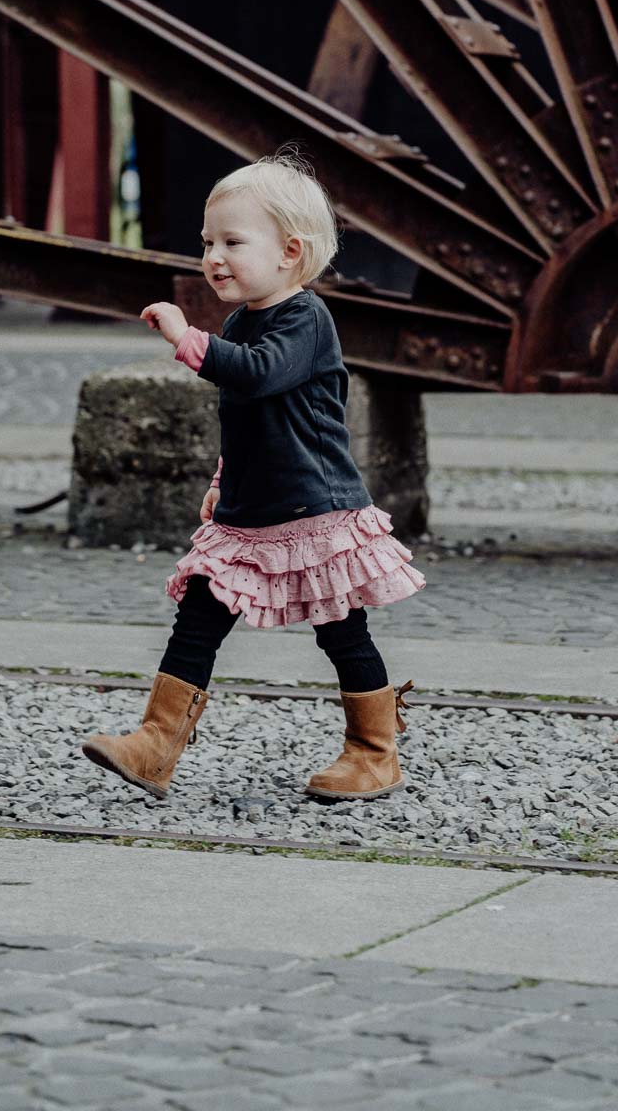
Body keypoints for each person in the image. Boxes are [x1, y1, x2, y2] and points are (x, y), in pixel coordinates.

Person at [81, 152, 424, 802]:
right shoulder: (243, 322)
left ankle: (374, 752)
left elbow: (258, 372)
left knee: (342, 630)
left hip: (314, 511)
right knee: (198, 617)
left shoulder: (304, 320)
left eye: (232, 242)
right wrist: (222, 480)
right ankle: (156, 744)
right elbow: (247, 413)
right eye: (207, 242)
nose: (213, 256)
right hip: (251, 510)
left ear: (290, 252)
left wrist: (188, 340)